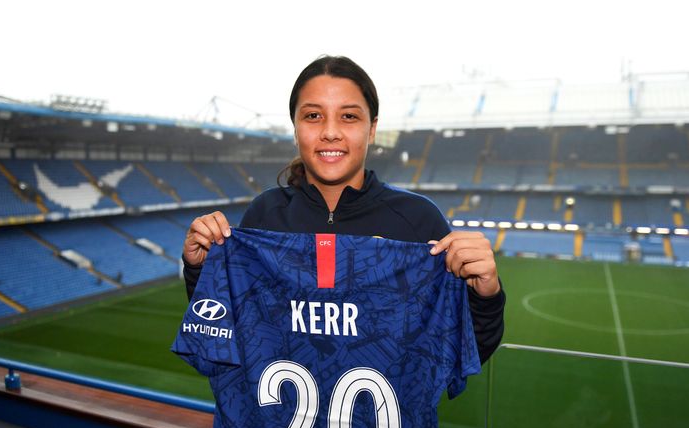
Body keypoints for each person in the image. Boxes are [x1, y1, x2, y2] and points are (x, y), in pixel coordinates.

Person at [181, 55, 504, 365]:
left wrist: (485, 296)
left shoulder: (418, 219)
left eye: (348, 116)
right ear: (295, 128)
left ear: (372, 128)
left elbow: (461, 353)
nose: (331, 131)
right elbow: (227, 335)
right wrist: (200, 270)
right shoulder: (265, 214)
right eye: (313, 116)